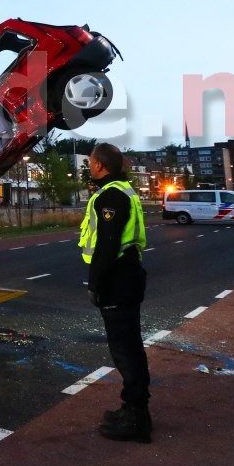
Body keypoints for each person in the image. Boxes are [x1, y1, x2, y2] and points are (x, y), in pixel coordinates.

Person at [79, 143, 151, 442]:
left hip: (118, 278)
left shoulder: (111, 195)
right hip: (127, 273)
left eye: (90, 162)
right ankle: (133, 407)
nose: (88, 166)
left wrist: (95, 285)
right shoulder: (121, 190)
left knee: (125, 349)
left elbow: (107, 245)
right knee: (129, 345)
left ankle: (137, 418)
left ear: (99, 165)